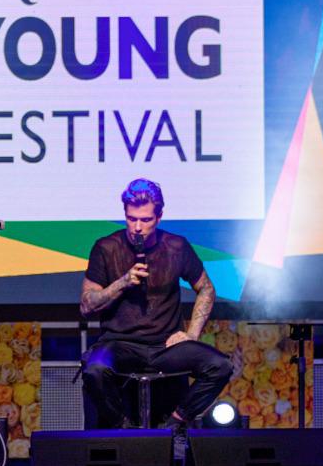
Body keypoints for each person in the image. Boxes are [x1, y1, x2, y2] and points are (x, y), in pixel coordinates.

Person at [79, 178, 233, 430]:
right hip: (120, 344)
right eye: (131, 219)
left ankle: (174, 424)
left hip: (166, 346)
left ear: (159, 217)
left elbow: (206, 288)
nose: (137, 227)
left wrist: (191, 334)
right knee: (94, 369)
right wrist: (122, 282)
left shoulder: (176, 246)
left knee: (221, 366)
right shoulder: (106, 248)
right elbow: (86, 306)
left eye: (146, 220)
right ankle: (125, 429)